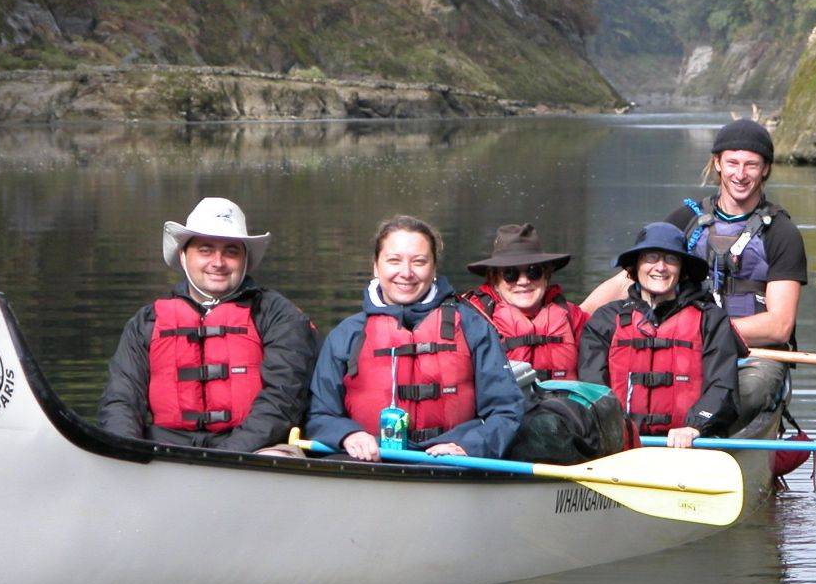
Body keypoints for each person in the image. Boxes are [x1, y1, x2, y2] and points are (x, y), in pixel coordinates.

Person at [581, 119, 807, 424]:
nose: (740, 174)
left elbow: (779, 325)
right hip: (684, 349)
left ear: (765, 169)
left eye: (751, 165)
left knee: (741, 395)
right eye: (732, 163)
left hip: (755, 356)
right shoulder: (686, 219)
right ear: (717, 163)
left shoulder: (782, 233)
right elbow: (633, 277)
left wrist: (707, 336)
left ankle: (698, 433)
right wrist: (576, 316)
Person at [98, 197, 317, 451]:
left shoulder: (279, 316)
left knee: (286, 457)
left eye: (231, 251)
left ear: (245, 259)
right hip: (164, 449)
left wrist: (224, 457)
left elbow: (283, 400)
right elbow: (121, 400)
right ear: (183, 256)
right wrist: (128, 452)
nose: (218, 262)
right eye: (205, 250)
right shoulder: (146, 322)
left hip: (257, 451)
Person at [304, 215, 525, 461]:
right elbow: (319, 415)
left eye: (419, 262)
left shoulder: (473, 328)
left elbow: (506, 411)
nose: (406, 273)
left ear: (433, 269)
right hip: (369, 462)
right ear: (376, 267)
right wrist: (347, 435)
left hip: (453, 463)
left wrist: (470, 447)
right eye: (394, 261)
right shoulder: (346, 335)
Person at [579, 222, 739, 447]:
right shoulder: (606, 319)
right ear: (636, 266)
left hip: (689, 443)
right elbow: (591, 384)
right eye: (651, 257)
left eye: (671, 259)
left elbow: (722, 386)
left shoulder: (711, 319)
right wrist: (614, 427)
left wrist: (694, 427)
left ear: (682, 270)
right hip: (618, 442)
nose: (661, 267)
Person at [462, 223, 588, 382]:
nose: (523, 281)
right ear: (495, 281)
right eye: (510, 274)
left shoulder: (574, 318)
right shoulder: (471, 319)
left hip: (563, 405)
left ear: (546, 276)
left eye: (533, 271)